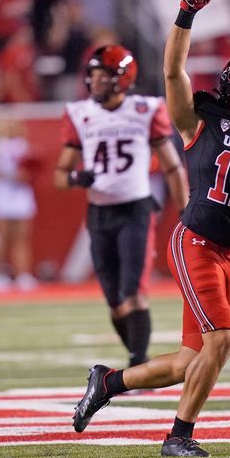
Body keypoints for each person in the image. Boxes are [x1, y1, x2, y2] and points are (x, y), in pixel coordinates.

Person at [71, 0, 230, 458]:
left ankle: (109, 381)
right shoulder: (202, 121)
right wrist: (185, 15)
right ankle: (179, 436)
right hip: (196, 240)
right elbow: (172, 70)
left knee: (187, 361)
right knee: (221, 342)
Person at [54, 44, 189, 368]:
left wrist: (186, 210)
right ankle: (137, 360)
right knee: (115, 301)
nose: (96, 82)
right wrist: (75, 178)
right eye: (94, 76)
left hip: (135, 210)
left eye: (104, 76)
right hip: (99, 212)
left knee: (134, 292)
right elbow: (59, 175)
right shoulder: (81, 114)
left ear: (122, 79)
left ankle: (139, 363)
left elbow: (172, 165)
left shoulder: (145, 109)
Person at [0, 114, 39, 291]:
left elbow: (32, 169)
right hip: (2, 192)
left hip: (20, 193)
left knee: (21, 237)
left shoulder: (23, 145)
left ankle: (23, 274)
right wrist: (14, 176)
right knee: (1, 236)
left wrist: (27, 174)